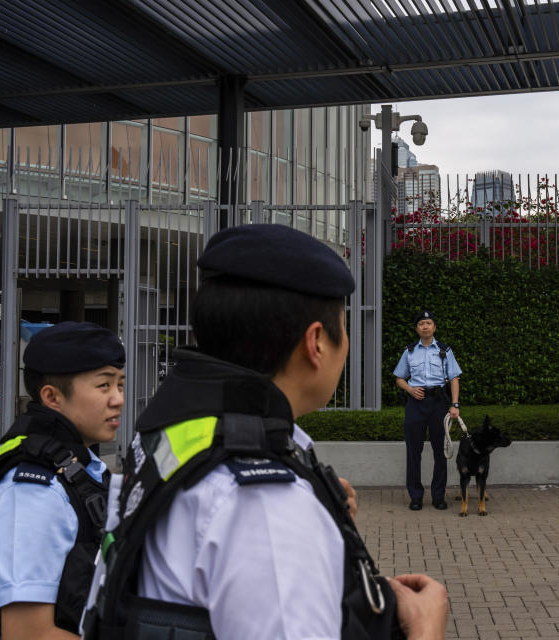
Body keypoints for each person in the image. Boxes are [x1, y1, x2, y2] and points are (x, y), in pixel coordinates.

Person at [81, 224, 448, 640]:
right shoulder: (265, 508)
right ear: (316, 342)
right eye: (342, 328)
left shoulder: (179, 433)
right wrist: (425, 629)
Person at [0, 322, 125, 640]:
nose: (118, 400)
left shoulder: (79, 467)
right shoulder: (31, 494)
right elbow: (29, 634)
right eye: (104, 386)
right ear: (52, 397)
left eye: (120, 385)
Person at [393, 310, 463, 511]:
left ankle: (438, 496)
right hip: (415, 404)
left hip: (438, 403)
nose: (425, 326)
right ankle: (415, 496)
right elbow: (399, 377)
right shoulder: (409, 351)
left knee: (440, 452)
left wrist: (455, 404)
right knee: (413, 452)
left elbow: (454, 378)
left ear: (434, 327)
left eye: (428, 323)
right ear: (417, 328)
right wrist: (410, 389)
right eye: (421, 323)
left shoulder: (444, 350)